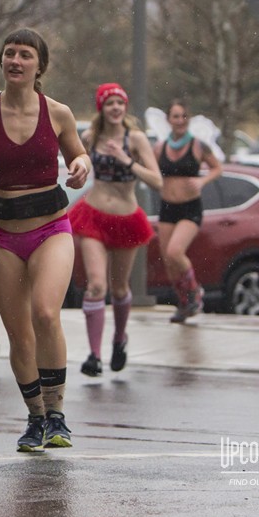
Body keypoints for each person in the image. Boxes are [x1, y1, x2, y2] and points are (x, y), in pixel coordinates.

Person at [0, 28, 90, 452]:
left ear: (38, 66)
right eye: (9, 53)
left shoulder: (58, 113)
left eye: (25, 55)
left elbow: (77, 154)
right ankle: (35, 418)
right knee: (19, 333)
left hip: (50, 228)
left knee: (46, 313)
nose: (15, 60)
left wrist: (81, 165)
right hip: (3, 235)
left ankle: (57, 414)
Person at [69, 83, 162, 377]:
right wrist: (76, 170)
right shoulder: (90, 137)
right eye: (109, 103)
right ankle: (94, 355)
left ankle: (119, 339)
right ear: (101, 108)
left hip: (126, 218)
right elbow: (77, 164)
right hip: (94, 215)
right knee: (97, 285)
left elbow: (157, 181)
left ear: (125, 107)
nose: (115, 108)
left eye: (120, 103)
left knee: (120, 287)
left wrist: (127, 161)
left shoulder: (135, 139)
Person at [153, 99, 222, 323]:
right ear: (168, 120)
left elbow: (217, 167)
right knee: (169, 260)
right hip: (167, 207)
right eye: (176, 116)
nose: (180, 121)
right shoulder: (160, 147)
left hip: (190, 208)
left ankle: (194, 291)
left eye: (184, 116)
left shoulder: (198, 145)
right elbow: (150, 170)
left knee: (175, 252)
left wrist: (202, 182)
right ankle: (184, 303)